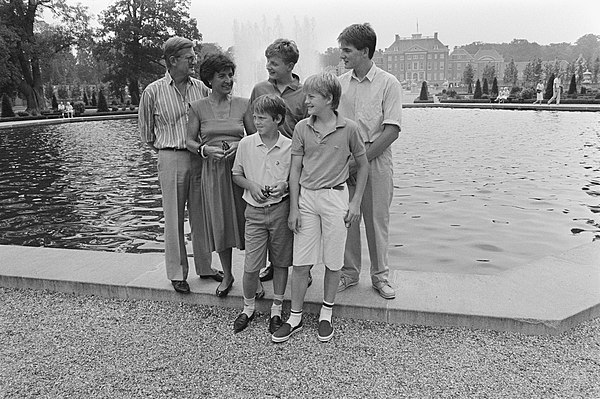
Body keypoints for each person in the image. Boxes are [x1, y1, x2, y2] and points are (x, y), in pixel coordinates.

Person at [271, 72, 368, 343]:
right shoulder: (302, 128)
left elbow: (364, 165)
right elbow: (294, 171)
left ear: (328, 99)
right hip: (307, 199)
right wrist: (293, 208)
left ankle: (327, 312)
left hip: (336, 199)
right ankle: (296, 316)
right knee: (301, 262)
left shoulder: (349, 129)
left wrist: (356, 201)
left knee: (333, 261)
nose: (306, 100)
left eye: (312, 96)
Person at [139, 36, 218, 295]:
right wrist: (169, 150)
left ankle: (205, 267)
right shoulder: (153, 91)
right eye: (189, 57)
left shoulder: (201, 89)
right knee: (173, 216)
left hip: (200, 156)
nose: (194, 60)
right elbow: (146, 134)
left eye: (194, 55)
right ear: (172, 61)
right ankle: (176, 273)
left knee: (202, 215)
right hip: (171, 156)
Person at [336, 23, 402, 300]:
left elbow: (391, 130)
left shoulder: (388, 84)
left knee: (376, 220)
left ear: (365, 51)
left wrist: (359, 161)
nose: (342, 55)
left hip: (375, 161)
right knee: (347, 219)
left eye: (347, 50)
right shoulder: (339, 85)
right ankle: (349, 273)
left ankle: (380, 277)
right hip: (344, 161)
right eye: (341, 50)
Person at [243, 38, 308, 284]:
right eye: (268, 62)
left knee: (297, 214)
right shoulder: (260, 89)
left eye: (274, 63)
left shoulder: (304, 92)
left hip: (297, 160)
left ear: (290, 65)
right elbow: (251, 123)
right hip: (268, 158)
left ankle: (303, 267)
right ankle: (274, 264)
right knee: (273, 212)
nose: (269, 66)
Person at [186, 53, 250, 297]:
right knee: (221, 224)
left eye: (230, 75)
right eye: (222, 75)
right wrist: (205, 150)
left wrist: (240, 145)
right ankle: (228, 275)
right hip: (213, 173)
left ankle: (253, 277)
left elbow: (255, 137)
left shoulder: (244, 104)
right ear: (209, 79)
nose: (228, 80)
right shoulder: (198, 107)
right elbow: (189, 141)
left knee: (250, 222)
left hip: (241, 171)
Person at [231, 94, 293, 334]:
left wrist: (284, 185)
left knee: (280, 262)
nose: (256, 122)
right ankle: (248, 308)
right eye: (254, 117)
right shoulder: (246, 144)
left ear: (277, 119)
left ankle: (276, 308)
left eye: (262, 118)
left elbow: (295, 179)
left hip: (280, 210)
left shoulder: (289, 146)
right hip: (254, 212)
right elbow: (236, 174)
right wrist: (252, 187)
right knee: (251, 266)